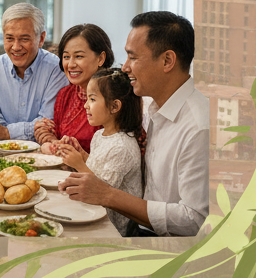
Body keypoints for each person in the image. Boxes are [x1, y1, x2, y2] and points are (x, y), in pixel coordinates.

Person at [62, 12, 209, 237]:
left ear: (167, 61)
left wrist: (107, 195)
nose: (125, 68)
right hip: (137, 227)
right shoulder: (152, 108)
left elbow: (194, 220)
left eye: (133, 57)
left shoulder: (198, 126)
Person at [56, 68, 144, 235]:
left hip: (111, 227)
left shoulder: (122, 147)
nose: (85, 105)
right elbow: (98, 168)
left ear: (115, 106)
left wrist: (79, 164)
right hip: (92, 212)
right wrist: (82, 154)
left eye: (92, 99)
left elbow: (102, 192)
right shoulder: (99, 134)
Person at [0, 2, 68, 141]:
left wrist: (6, 132)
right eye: (9, 38)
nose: (16, 47)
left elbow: (49, 123)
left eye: (24, 39)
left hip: (42, 153)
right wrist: (4, 133)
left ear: (41, 39)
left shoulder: (56, 68)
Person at [35, 24, 116, 153]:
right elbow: (57, 135)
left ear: (100, 58)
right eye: (66, 57)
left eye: (79, 56)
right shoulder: (65, 94)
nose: (71, 65)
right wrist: (50, 137)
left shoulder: (114, 97)